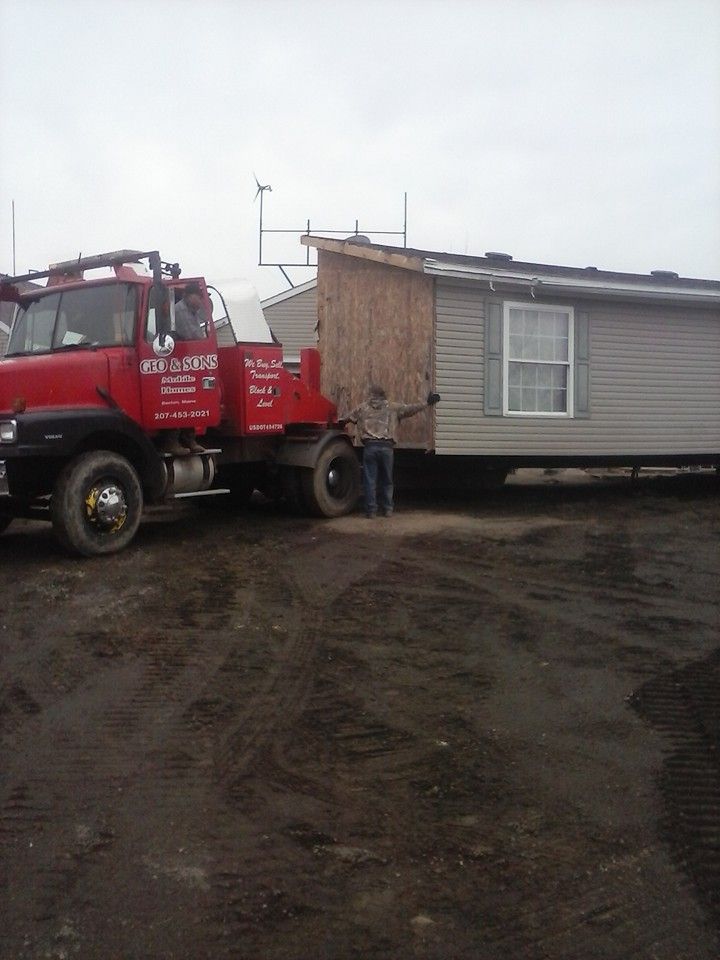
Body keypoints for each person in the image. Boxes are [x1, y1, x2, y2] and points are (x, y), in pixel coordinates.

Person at [340, 385, 441, 518]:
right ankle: (387, 509)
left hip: (370, 447)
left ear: (371, 395)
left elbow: (345, 419)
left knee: (370, 480)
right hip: (387, 448)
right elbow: (411, 409)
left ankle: (371, 511)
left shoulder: (362, 408)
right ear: (384, 395)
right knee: (387, 480)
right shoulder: (393, 407)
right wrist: (427, 403)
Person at [157, 282, 207, 455]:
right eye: (198, 296)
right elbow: (193, 336)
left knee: (189, 404)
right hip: (176, 364)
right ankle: (172, 441)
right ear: (188, 295)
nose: (200, 301)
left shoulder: (193, 313)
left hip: (186, 364)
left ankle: (189, 439)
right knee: (177, 403)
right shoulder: (180, 311)